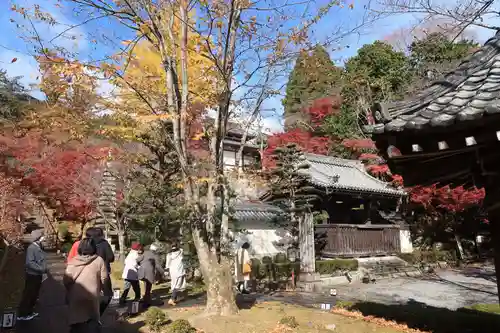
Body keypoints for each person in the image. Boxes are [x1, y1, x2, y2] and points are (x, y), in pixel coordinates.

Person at [64, 238, 108, 333]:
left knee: (76, 322)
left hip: (75, 295)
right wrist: (102, 289)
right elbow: (104, 278)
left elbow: (67, 279)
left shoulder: (73, 261)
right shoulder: (99, 260)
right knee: (92, 321)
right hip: (92, 296)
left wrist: (69, 290)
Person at [18, 230, 48, 321]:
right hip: (32, 275)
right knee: (29, 294)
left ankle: (29, 311)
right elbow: (29, 263)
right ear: (39, 237)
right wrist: (41, 269)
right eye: (42, 236)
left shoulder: (38, 246)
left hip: (37, 275)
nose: (44, 237)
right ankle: (23, 314)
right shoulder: (32, 248)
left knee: (34, 294)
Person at [85, 227, 115, 315]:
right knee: (107, 295)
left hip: (88, 272)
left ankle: (90, 313)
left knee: (91, 293)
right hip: (103, 272)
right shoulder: (104, 243)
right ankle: (98, 313)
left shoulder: (86, 243)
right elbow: (111, 257)